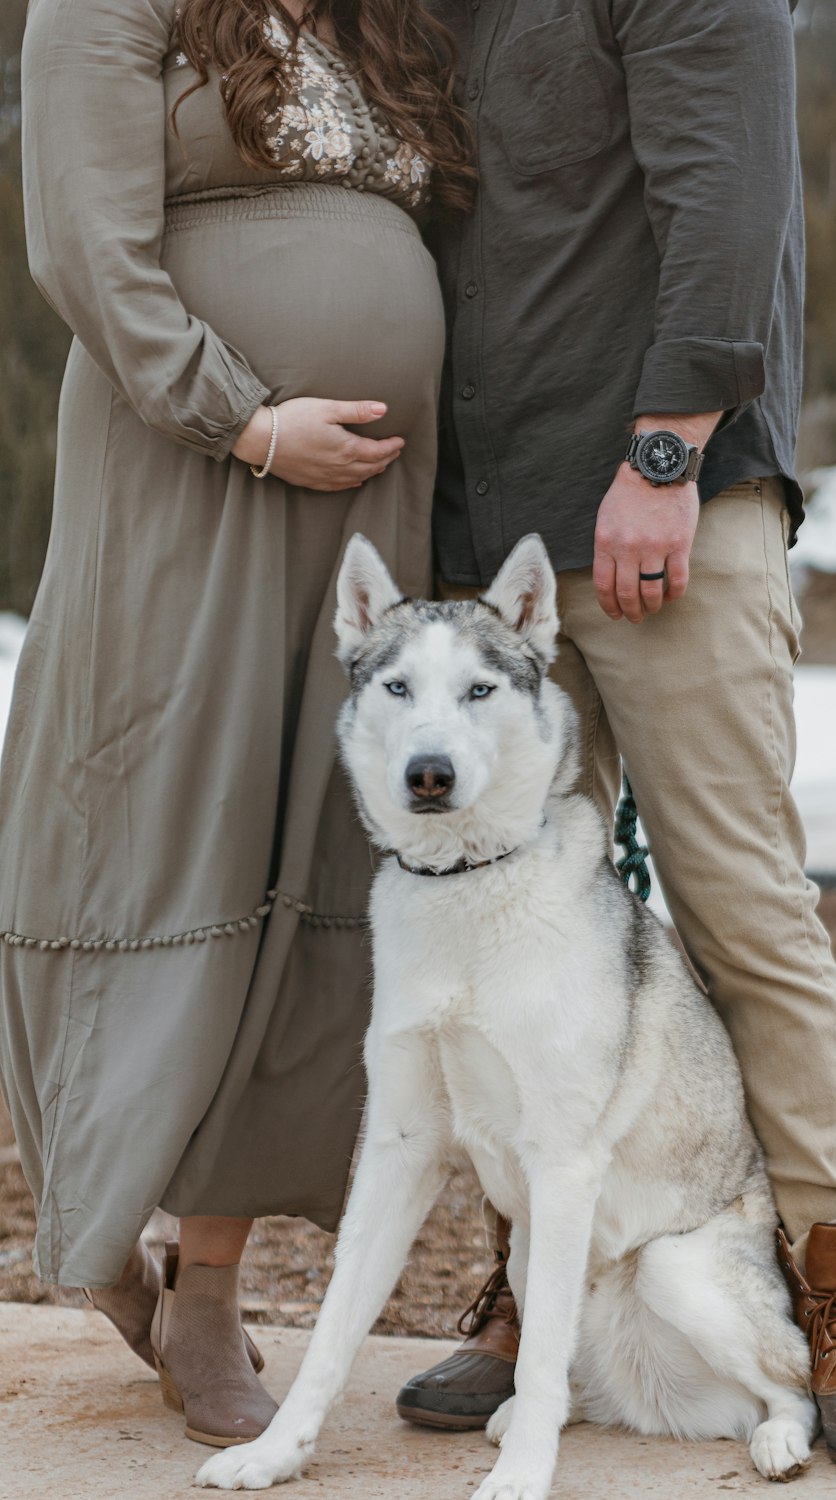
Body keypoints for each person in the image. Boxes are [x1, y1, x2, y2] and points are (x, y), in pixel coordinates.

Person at [396, 0, 836, 1473]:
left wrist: (664, 452)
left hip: (666, 505)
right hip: (489, 546)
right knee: (526, 937)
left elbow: (729, 185)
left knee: (741, 908)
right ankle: (536, 1283)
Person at [0, 0, 469, 1450]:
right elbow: (84, 243)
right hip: (189, 470)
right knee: (163, 832)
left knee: (313, 852)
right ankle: (106, 1216)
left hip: (366, 508)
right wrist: (247, 419)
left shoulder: (381, 18)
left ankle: (206, 1286)